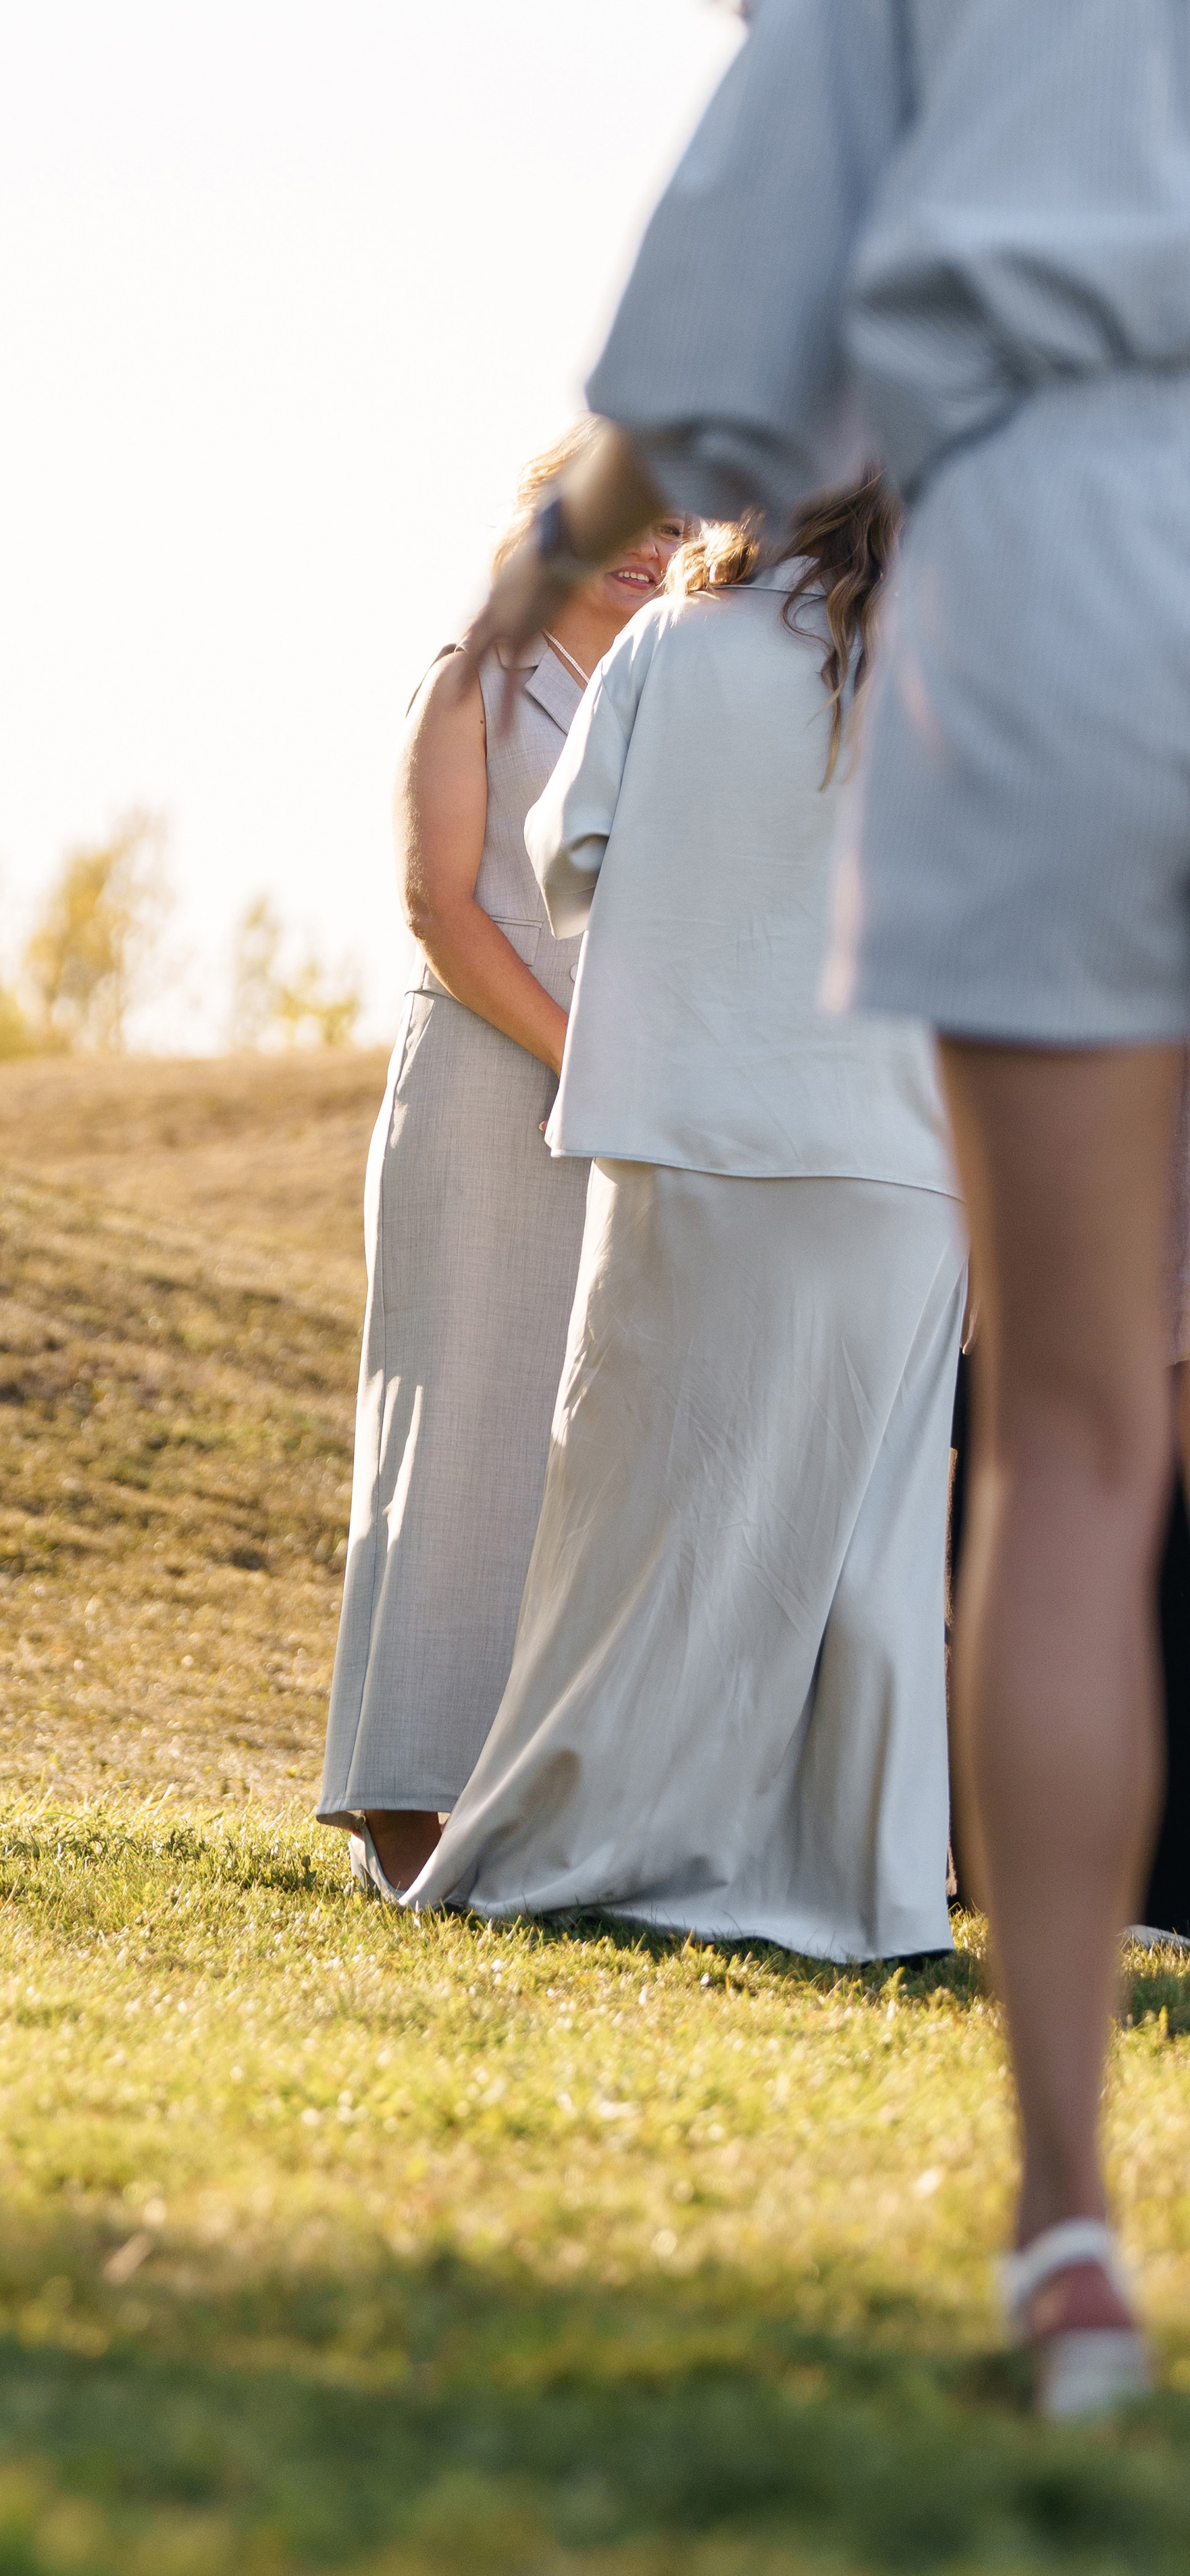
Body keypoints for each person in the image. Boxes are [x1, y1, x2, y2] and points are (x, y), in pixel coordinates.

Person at [450, 0, 1184, 2421]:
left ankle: (1066, 2229)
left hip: (1051, 572)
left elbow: (712, 320)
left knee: (1069, 1446)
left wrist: (550, 547)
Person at [409, 478, 963, 1960]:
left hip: (688, 1126)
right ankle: (861, 1888)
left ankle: (595, 1834)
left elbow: (566, 855)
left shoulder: (675, 639)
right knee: (870, 1532)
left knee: (640, 1517)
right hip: (900, 1147)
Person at [316, 424, 682, 1895]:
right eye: (630, 517)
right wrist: (580, 1059)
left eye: (680, 528)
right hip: (484, 1085)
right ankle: (405, 1808)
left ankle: (533, 1809)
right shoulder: (473, 675)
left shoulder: (671, 694)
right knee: (455, 1431)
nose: (654, 549)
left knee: (574, 1459)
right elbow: (440, 907)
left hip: (626, 1105)